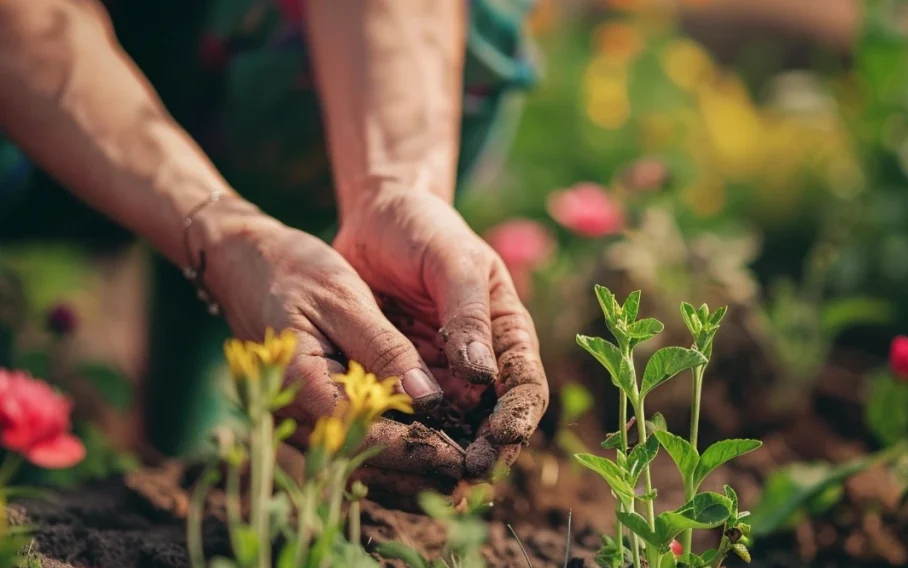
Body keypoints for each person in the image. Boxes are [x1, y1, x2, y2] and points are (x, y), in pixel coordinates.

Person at [0, 0, 549, 493]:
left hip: (193, 53)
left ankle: (221, 336)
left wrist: (392, 187)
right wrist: (218, 232)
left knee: (473, 26)